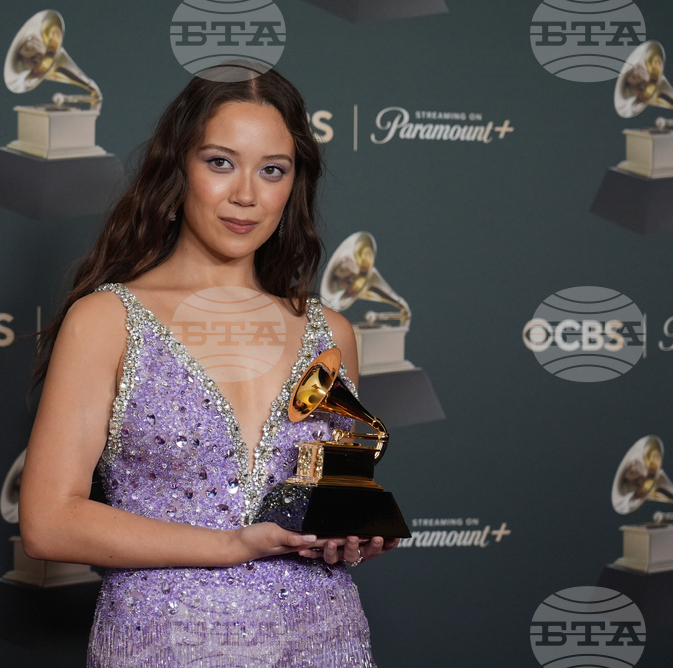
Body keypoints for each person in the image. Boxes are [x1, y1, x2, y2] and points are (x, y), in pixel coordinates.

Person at [20, 63, 398, 667]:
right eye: (220, 162)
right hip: (164, 642)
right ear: (178, 170)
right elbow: (47, 522)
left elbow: (330, 497)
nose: (246, 193)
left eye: (272, 170)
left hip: (322, 638)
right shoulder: (107, 319)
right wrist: (233, 544)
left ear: (293, 186)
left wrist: (346, 535)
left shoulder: (333, 333)